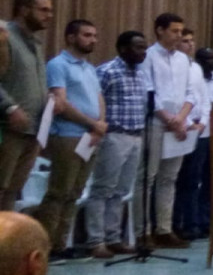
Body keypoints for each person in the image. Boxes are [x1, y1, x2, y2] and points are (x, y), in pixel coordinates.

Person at [36, 20, 107, 262]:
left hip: (90, 136)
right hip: (67, 135)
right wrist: (92, 124)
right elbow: (61, 103)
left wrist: (101, 124)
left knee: (75, 193)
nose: (93, 40)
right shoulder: (58, 65)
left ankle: (61, 244)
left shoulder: (89, 68)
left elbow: (99, 98)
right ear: (70, 37)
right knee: (59, 192)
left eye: (95, 35)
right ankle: (44, 247)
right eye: (87, 35)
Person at [136, 13, 199, 248]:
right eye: (174, 31)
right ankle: (143, 230)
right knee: (147, 178)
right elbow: (148, 91)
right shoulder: (149, 56)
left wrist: (181, 119)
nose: (179, 36)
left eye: (181, 31)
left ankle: (164, 229)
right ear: (160, 30)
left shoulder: (184, 60)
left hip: (178, 125)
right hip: (155, 122)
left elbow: (190, 93)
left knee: (169, 178)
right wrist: (168, 118)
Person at [85, 31, 148, 258]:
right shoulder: (106, 71)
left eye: (144, 48)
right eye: (138, 48)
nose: (143, 52)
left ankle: (114, 238)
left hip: (136, 136)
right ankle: (96, 241)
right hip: (113, 136)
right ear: (123, 49)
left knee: (120, 192)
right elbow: (94, 103)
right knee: (103, 189)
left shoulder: (141, 74)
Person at [0, 0, 53, 210]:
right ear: (23, 10)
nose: (49, 15)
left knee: (12, 191)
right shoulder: (4, 37)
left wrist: (48, 98)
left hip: (32, 131)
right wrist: (10, 107)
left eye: (50, 10)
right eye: (43, 10)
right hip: (8, 129)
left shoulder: (36, 43)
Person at [174, 46, 213, 240]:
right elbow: (193, 102)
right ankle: (190, 222)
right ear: (198, 60)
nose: (212, 61)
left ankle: (207, 221)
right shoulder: (191, 77)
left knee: (211, 179)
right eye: (207, 58)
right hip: (195, 132)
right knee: (191, 178)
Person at [171, 29, 206, 239]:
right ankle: (175, 223)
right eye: (185, 41)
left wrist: (201, 122)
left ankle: (192, 222)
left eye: (192, 41)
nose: (190, 45)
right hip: (180, 127)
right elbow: (176, 97)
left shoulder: (196, 68)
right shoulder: (176, 66)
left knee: (194, 180)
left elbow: (203, 99)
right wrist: (187, 121)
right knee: (175, 179)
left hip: (198, 131)